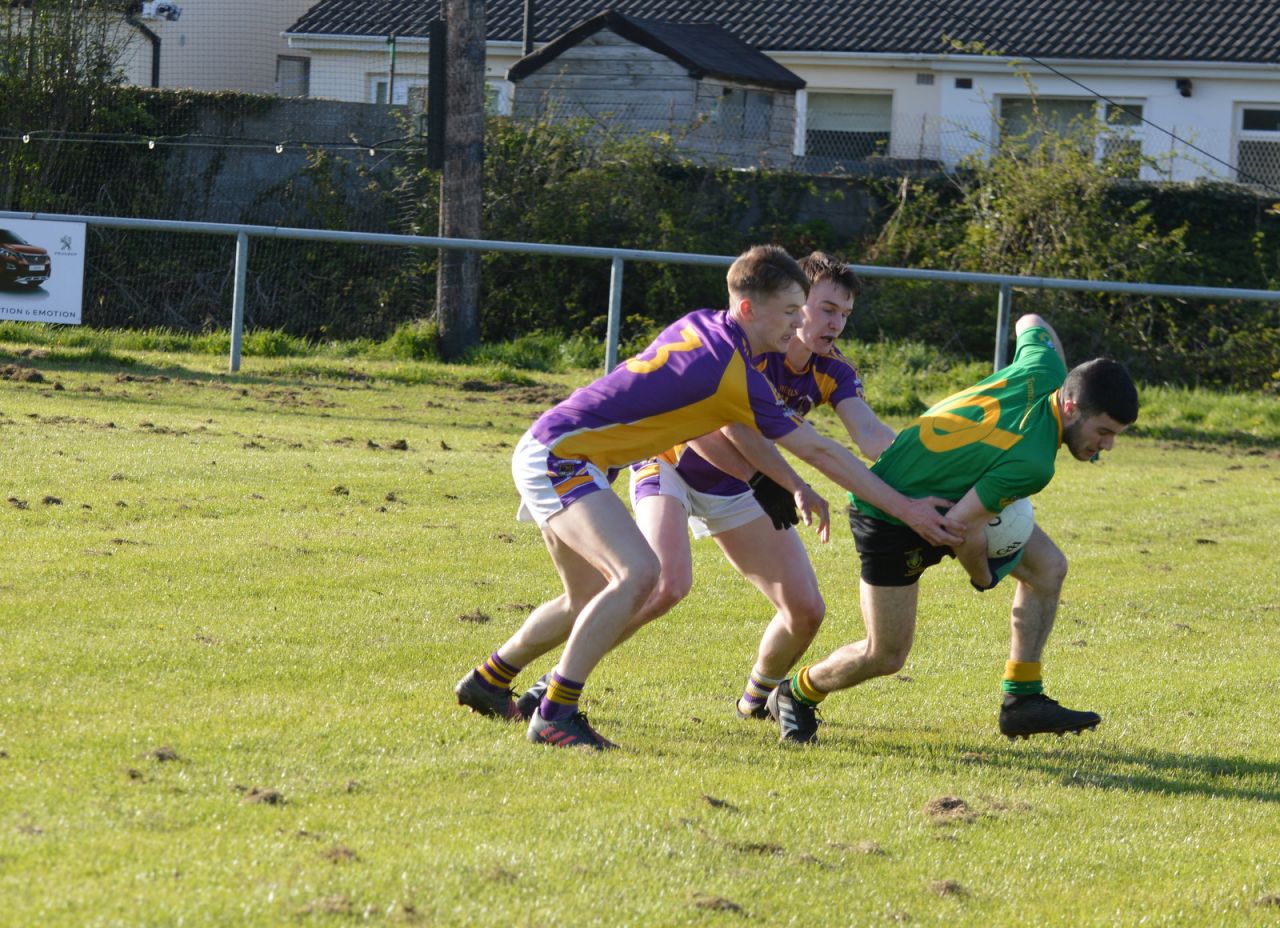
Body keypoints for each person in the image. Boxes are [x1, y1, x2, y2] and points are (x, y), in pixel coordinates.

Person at [454, 245, 963, 750]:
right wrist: (906, 510)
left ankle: (489, 680)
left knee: (586, 599)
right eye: (792, 312)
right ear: (748, 308)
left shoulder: (708, 328)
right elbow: (818, 450)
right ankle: (556, 712)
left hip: (567, 453)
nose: (800, 322)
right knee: (642, 575)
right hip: (565, 457)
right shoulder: (730, 368)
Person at [767, 312, 1139, 744]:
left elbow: (1031, 320)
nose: (1107, 446)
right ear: (1071, 407)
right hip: (889, 517)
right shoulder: (1033, 463)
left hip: (939, 497)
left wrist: (1065, 368)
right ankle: (795, 693)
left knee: (1048, 568)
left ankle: (1022, 698)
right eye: (1104, 432)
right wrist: (983, 577)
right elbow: (958, 530)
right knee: (885, 654)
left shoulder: (1046, 368)